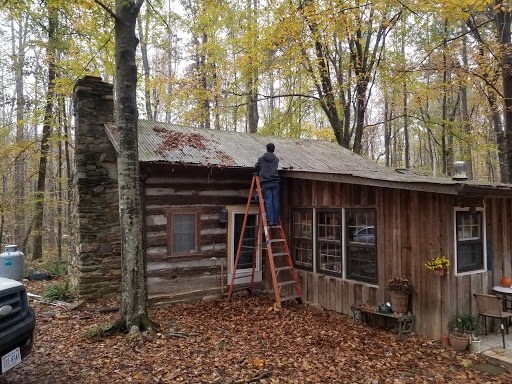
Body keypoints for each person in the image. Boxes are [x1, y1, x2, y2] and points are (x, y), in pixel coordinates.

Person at [255, 143, 280, 226]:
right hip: (275, 182)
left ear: (267, 149)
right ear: (273, 149)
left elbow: (256, 167)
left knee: (268, 201)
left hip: (266, 182)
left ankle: (271, 221)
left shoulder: (261, 159)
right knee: (275, 201)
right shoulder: (276, 159)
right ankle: (275, 220)